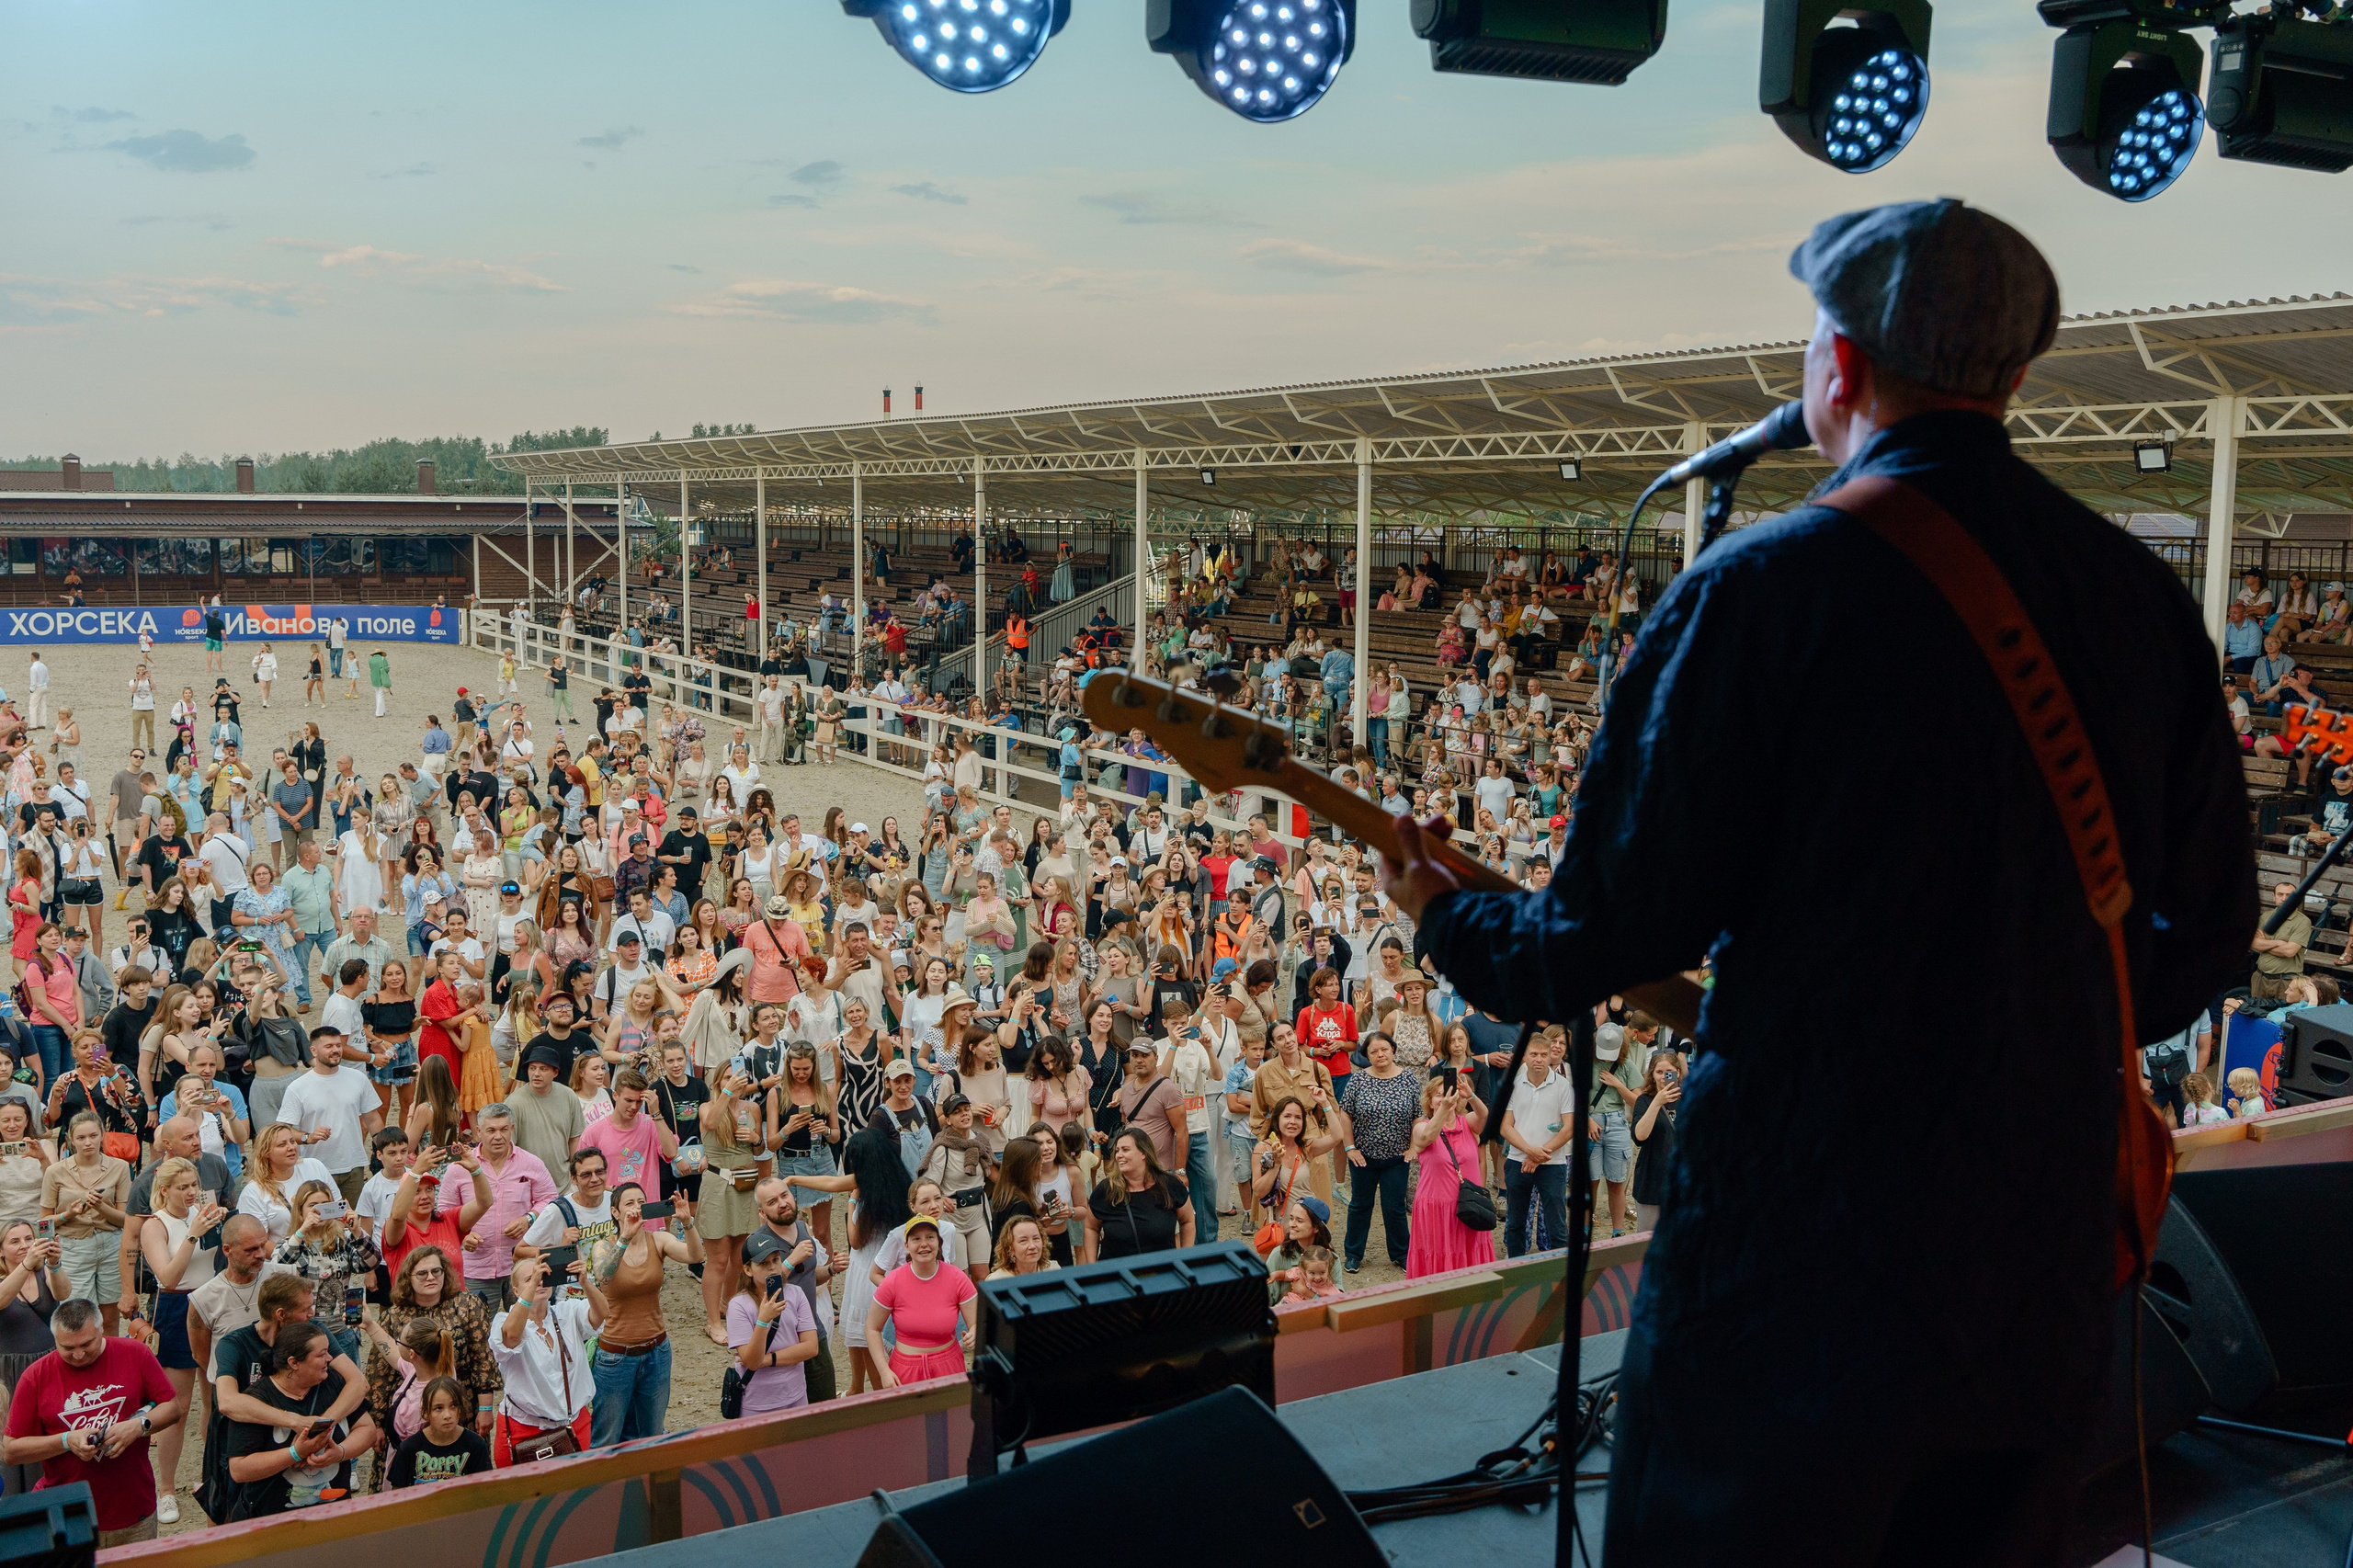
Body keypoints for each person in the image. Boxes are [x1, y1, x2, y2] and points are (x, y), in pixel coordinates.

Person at [1381, 202, 2253, 1560]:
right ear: (2017, 379)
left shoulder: (1762, 589)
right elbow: (2202, 941)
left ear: (1835, 366)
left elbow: (1599, 933)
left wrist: (1445, 912)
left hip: (1799, 1269)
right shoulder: (2143, 599)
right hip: (2040, 1262)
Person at [2, 1298, 185, 1545]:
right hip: (68, 1516)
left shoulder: (135, 1353)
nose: (78, 1354)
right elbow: (11, 1450)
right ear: (54, 1339)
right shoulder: (36, 1376)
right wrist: (66, 1440)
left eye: (87, 1344)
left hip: (133, 1511)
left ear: (102, 1329)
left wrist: (138, 1426)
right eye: (67, 1348)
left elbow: (172, 1408)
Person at [584, 1181, 705, 1446]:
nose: (637, 1207)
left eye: (641, 1201)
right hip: (615, 1357)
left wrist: (687, 1222)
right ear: (615, 1212)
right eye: (629, 1203)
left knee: (651, 1435)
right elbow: (603, 1275)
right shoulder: (603, 1246)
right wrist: (625, 1238)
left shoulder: (658, 1240)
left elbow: (696, 1256)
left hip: (656, 1352)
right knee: (607, 1437)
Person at [223, 1320, 378, 1517]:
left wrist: (339, 1453)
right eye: (321, 1355)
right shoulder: (257, 1402)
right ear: (294, 1363)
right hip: (271, 1523)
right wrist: (295, 1453)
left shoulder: (334, 1382)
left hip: (334, 1515)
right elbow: (239, 1470)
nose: (330, 1358)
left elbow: (367, 1429)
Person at [488, 1253, 604, 1466]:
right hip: (524, 1429)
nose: (539, 1281)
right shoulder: (502, 1321)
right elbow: (512, 1336)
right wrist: (532, 1289)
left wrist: (585, 1282)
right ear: (515, 1291)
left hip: (574, 1424)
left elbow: (601, 1314)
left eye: (543, 1276)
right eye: (529, 1279)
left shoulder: (567, 1311)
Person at [745, 1177, 836, 1403]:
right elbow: (761, 1290)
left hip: (812, 1331)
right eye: (772, 1201)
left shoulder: (803, 1228)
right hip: (780, 1337)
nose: (782, 1203)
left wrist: (832, 1270)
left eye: (784, 1196)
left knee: (826, 1406)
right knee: (788, 1412)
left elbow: (808, 1277)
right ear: (762, 1212)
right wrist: (790, 1261)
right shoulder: (758, 1243)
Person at [40, 1113, 131, 1332]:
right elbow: (43, 1224)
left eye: (93, 1136)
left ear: (102, 1135)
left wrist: (101, 1207)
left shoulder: (119, 1167)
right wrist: (68, 1214)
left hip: (111, 1244)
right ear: (71, 1139)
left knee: (110, 1317)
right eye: (81, 1137)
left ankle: (111, 1362)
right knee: (77, 1316)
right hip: (74, 1245)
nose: (88, 1142)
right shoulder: (55, 1171)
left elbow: (126, 1219)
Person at [276, 1024, 384, 1207]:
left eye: (338, 1045)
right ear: (314, 1050)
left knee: (352, 1220)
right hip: (314, 1169)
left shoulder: (358, 1078)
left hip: (354, 1166)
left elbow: (373, 1119)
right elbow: (282, 1129)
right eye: (329, 1046)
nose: (335, 1050)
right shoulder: (298, 1088)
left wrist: (383, 1149)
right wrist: (307, 1137)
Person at [864, 1213, 975, 1389]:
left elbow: (977, 1322)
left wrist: (975, 1333)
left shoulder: (957, 1278)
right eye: (916, 1239)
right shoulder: (893, 1281)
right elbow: (872, 1328)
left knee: (950, 1416)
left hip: (949, 1368)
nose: (924, 1244)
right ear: (906, 1246)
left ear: (939, 1243)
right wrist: (884, 1371)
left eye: (930, 1237)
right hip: (905, 1372)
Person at [1336, 1031, 1416, 1274]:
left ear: (1393, 1050)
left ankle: (1402, 1253)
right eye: (1374, 1051)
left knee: (1394, 1207)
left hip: (1397, 1157)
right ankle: (1353, 1253)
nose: (1380, 1054)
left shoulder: (1409, 1080)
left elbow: (1418, 1116)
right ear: (1367, 1056)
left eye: (1384, 1049)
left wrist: (1414, 1147)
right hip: (1363, 1157)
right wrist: (1350, 1147)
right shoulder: (1358, 1080)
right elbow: (1345, 1114)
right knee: (1360, 1205)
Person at [0, 1217, 69, 1498]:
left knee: (47, 1431)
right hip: (10, 1372)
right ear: (1, 1250)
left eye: (29, 1238)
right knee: (14, 1436)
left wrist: (53, 1264)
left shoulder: (42, 1273)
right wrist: (27, 1263)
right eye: (14, 1241)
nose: (24, 1245)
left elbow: (63, 1293)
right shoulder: (8, 1278)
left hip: (48, 1366)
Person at [1497, 1028, 1575, 1258]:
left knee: (1557, 1225)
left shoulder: (1563, 1086)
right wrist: (1529, 1151)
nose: (1539, 1059)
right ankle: (1515, 1269)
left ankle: (1561, 1274)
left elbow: (1569, 1127)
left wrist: (1539, 1154)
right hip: (1517, 1162)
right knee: (1515, 1222)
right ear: (1524, 1056)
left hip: (1553, 1163)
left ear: (1550, 1055)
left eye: (1543, 1054)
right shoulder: (1511, 1084)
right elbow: (1505, 1127)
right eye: (1534, 1054)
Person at [729, 1227, 821, 1411]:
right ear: (748, 1269)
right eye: (763, 1263)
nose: (772, 1267)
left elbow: (811, 1347)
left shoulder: (796, 1293)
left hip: (796, 1396)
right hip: (757, 1404)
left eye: (776, 1260)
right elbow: (752, 1361)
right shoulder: (738, 1306)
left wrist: (768, 1359)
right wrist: (763, 1321)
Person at [1086, 1125, 1195, 1262]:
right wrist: (1093, 1268)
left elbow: (1188, 1220)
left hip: (1161, 1273)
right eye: (1117, 1150)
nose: (1119, 1155)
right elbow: (1090, 1227)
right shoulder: (1106, 1190)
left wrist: (1186, 1257)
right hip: (1117, 1275)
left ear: (1144, 1153)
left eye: (1125, 1150)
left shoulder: (1170, 1185)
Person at [386, 1373, 494, 1487]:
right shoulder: (409, 1448)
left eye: (453, 1406)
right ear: (425, 1412)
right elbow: (398, 1494)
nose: (447, 1415)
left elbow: (485, 1491)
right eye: (438, 1408)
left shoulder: (475, 1445)